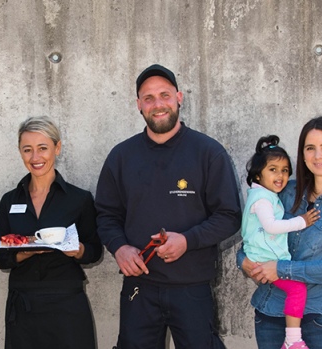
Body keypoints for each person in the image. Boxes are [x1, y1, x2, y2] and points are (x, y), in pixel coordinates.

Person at [95, 64, 242, 348]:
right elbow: (106, 215)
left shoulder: (208, 152)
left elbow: (229, 216)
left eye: (164, 95)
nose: (157, 104)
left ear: (179, 97)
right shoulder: (121, 156)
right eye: (148, 98)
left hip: (192, 287)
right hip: (139, 287)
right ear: (138, 105)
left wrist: (187, 240)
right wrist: (120, 247)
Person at [240, 116, 322, 349]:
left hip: (316, 317)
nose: (318, 155)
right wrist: (244, 261)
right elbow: (253, 235)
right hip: (270, 311)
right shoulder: (284, 191)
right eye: (310, 148)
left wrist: (280, 269)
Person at [0, 116, 102, 349]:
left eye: (43, 148)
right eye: (27, 150)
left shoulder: (79, 199)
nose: (35, 157)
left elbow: (95, 251)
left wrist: (79, 250)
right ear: (20, 152)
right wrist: (25, 252)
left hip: (67, 303)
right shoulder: (9, 200)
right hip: (23, 304)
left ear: (57, 148)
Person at [240, 135, 320, 349]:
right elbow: (272, 227)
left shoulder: (262, 196)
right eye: (273, 169)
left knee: (295, 290)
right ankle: (292, 340)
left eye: (285, 170)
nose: (280, 175)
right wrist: (301, 221)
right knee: (297, 290)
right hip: (265, 260)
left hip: (262, 257)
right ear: (258, 174)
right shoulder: (263, 200)